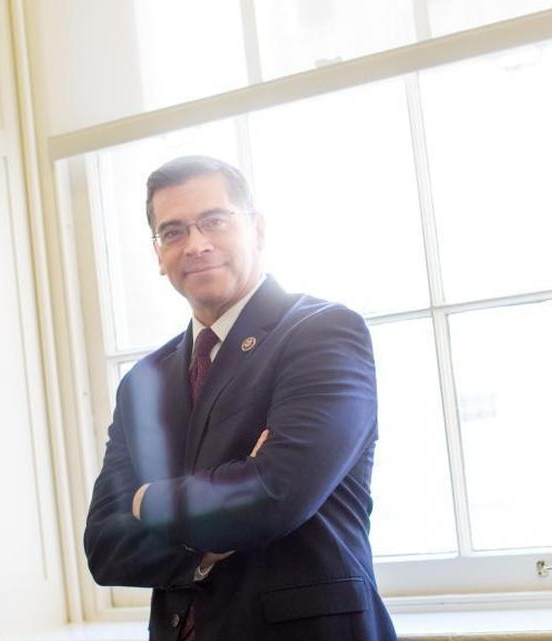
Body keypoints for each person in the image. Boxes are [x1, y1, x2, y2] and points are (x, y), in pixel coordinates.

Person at [84, 155, 397, 641]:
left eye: (214, 221)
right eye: (173, 232)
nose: (196, 245)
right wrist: (213, 533)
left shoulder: (323, 334)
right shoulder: (142, 382)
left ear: (257, 227)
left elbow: (274, 496)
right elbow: (106, 545)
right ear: (158, 254)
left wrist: (147, 500)